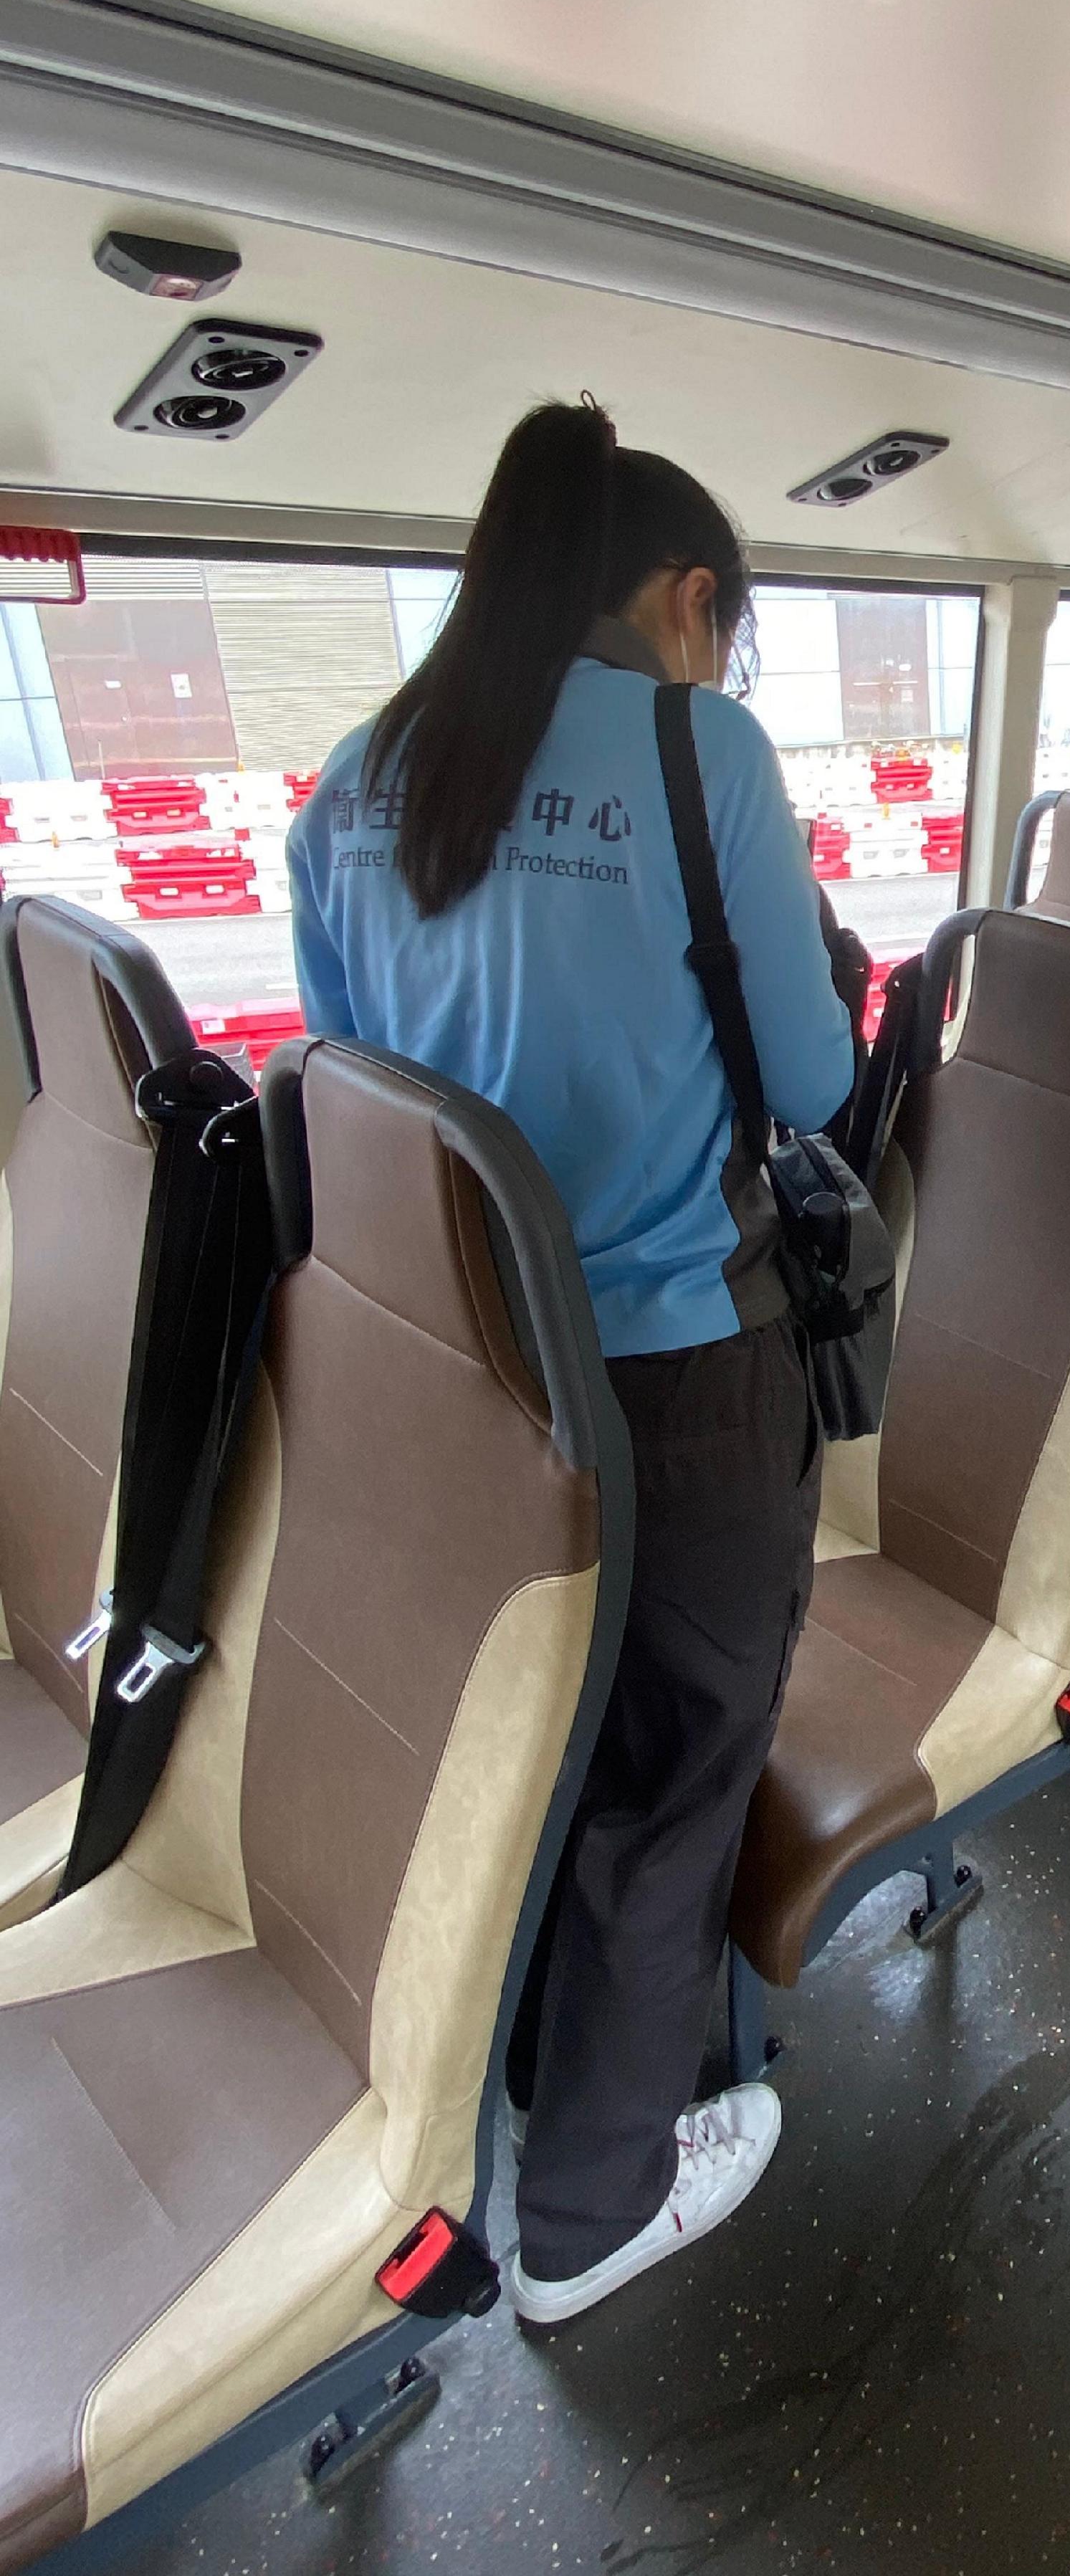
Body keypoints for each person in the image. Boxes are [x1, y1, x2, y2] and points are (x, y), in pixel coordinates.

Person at [287, 399, 854, 2322]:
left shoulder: (357, 779)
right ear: (685, 599)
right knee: (675, 1765)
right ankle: (590, 2215)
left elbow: (362, 1104)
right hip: (680, 1369)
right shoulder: (706, 757)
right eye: (730, 627)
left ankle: (500, 2101)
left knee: (514, 1741)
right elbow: (813, 1082)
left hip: (468, 1381)